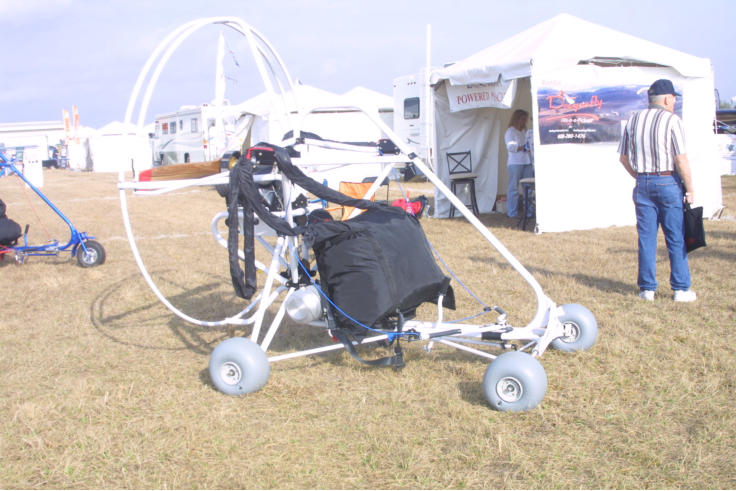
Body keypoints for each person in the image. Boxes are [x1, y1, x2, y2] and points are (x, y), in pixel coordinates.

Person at [618, 79, 696, 302]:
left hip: (643, 183)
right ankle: (680, 288)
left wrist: (640, 176)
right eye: (673, 99)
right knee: (675, 236)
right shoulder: (672, 121)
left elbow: (623, 158)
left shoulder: (634, 120)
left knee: (646, 238)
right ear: (667, 99)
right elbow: (680, 159)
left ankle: (647, 289)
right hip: (667, 180)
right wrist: (690, 188)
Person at [504, 109, 533, 218]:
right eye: (522, 119)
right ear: (517, 119)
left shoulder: (525, 131)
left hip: (527, 161)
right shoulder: (510, 131)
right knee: (513, 188)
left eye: (525, 120)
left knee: (528, 188)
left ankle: (529, 212)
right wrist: (523, 147)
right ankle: (512, 213)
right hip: (515, 163)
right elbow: (511, 147)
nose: (524, 122)